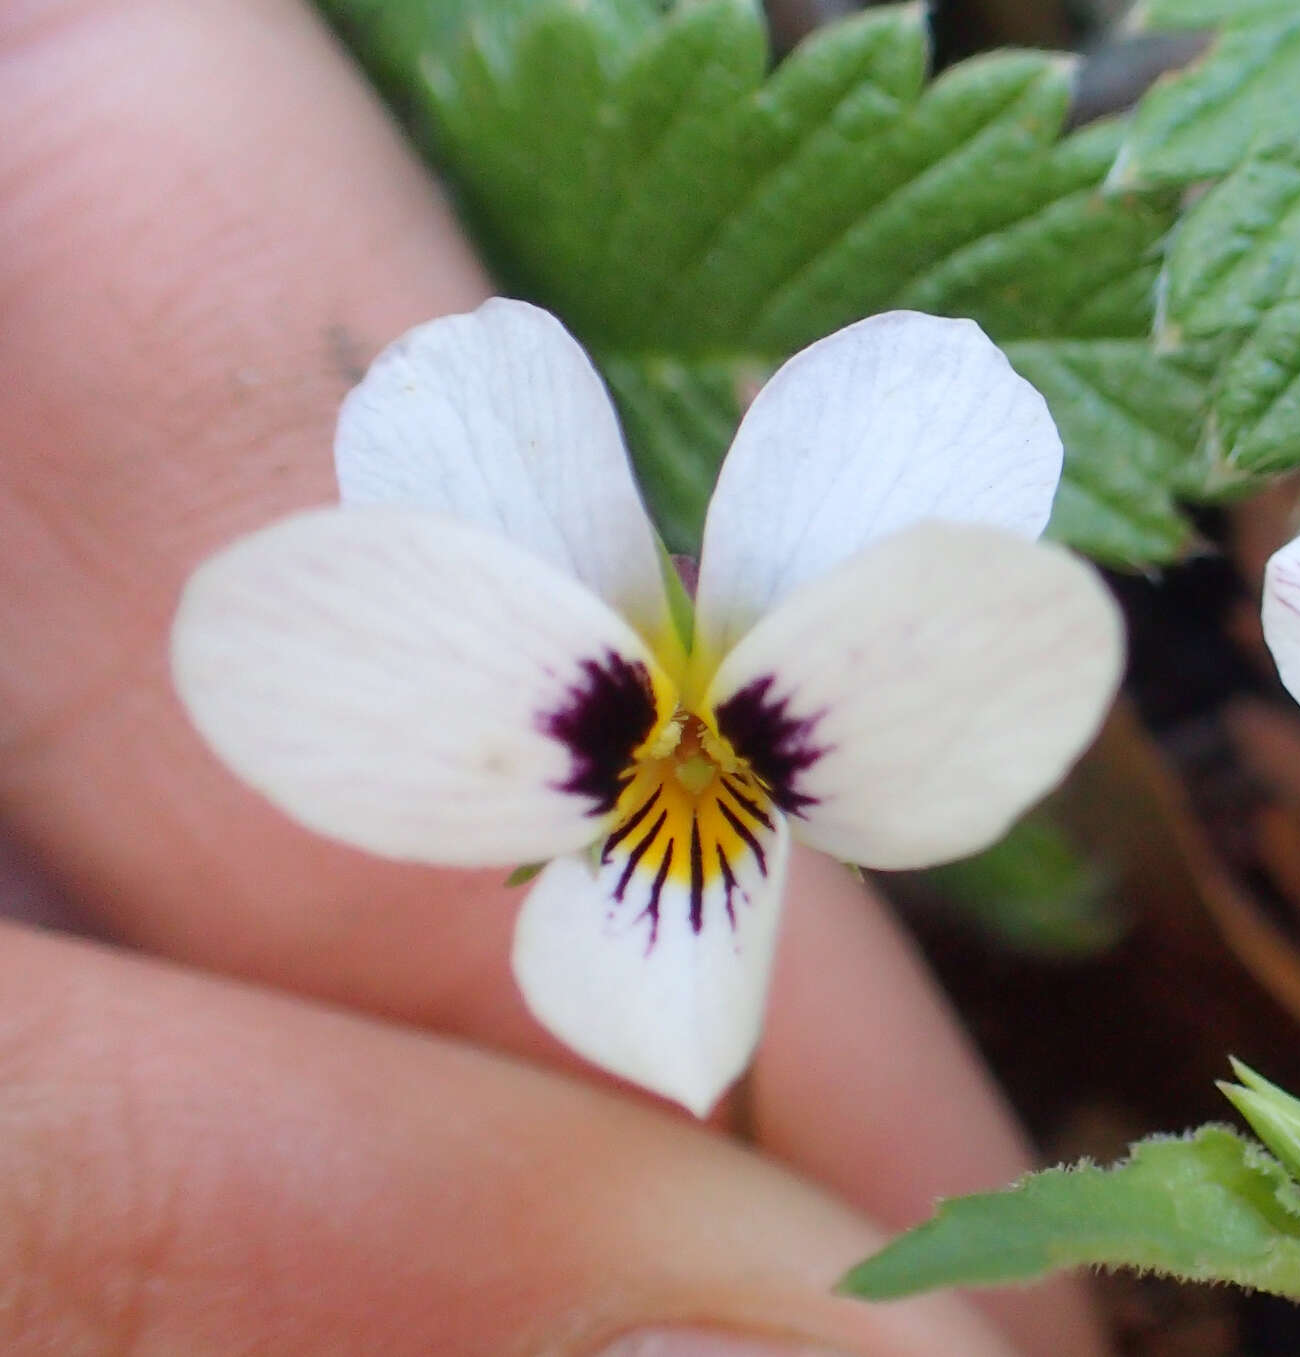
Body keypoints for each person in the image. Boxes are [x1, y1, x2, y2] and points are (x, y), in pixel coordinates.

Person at [0, 3, 1106, 1354]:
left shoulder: (658, 772)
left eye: (691, 744)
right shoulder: (732, 770)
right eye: (684, 746)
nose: (690, 752)